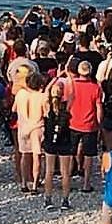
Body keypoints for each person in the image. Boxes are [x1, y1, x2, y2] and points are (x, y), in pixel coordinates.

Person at [68, 60, 102, 193]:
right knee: (89, 155)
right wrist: (99, 123)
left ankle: (68, 181)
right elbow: (98, 108)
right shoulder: (96, 88)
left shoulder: (72, 85)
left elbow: (68, 103)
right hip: (89, 125)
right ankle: (86, 183)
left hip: (73, 122)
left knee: (70, 152)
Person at [13, 71, 45, 193]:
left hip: (23, 127)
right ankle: (35, 184)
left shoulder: (20, 94)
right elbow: (46, 113)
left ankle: (23, 182)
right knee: (36, 157)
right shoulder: (41, 97)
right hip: (37, 128)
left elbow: (14, 109)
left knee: (24, 155)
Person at [43, 83, 72, 211]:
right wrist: (68, 76)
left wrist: (54, 79)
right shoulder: (66, 108)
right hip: (64, 141)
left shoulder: (47, 107)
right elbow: (73, 93)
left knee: (49, 171)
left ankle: (48, 199)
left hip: (50, 141)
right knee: (65, 172)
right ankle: (65, 200)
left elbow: (46, 92)